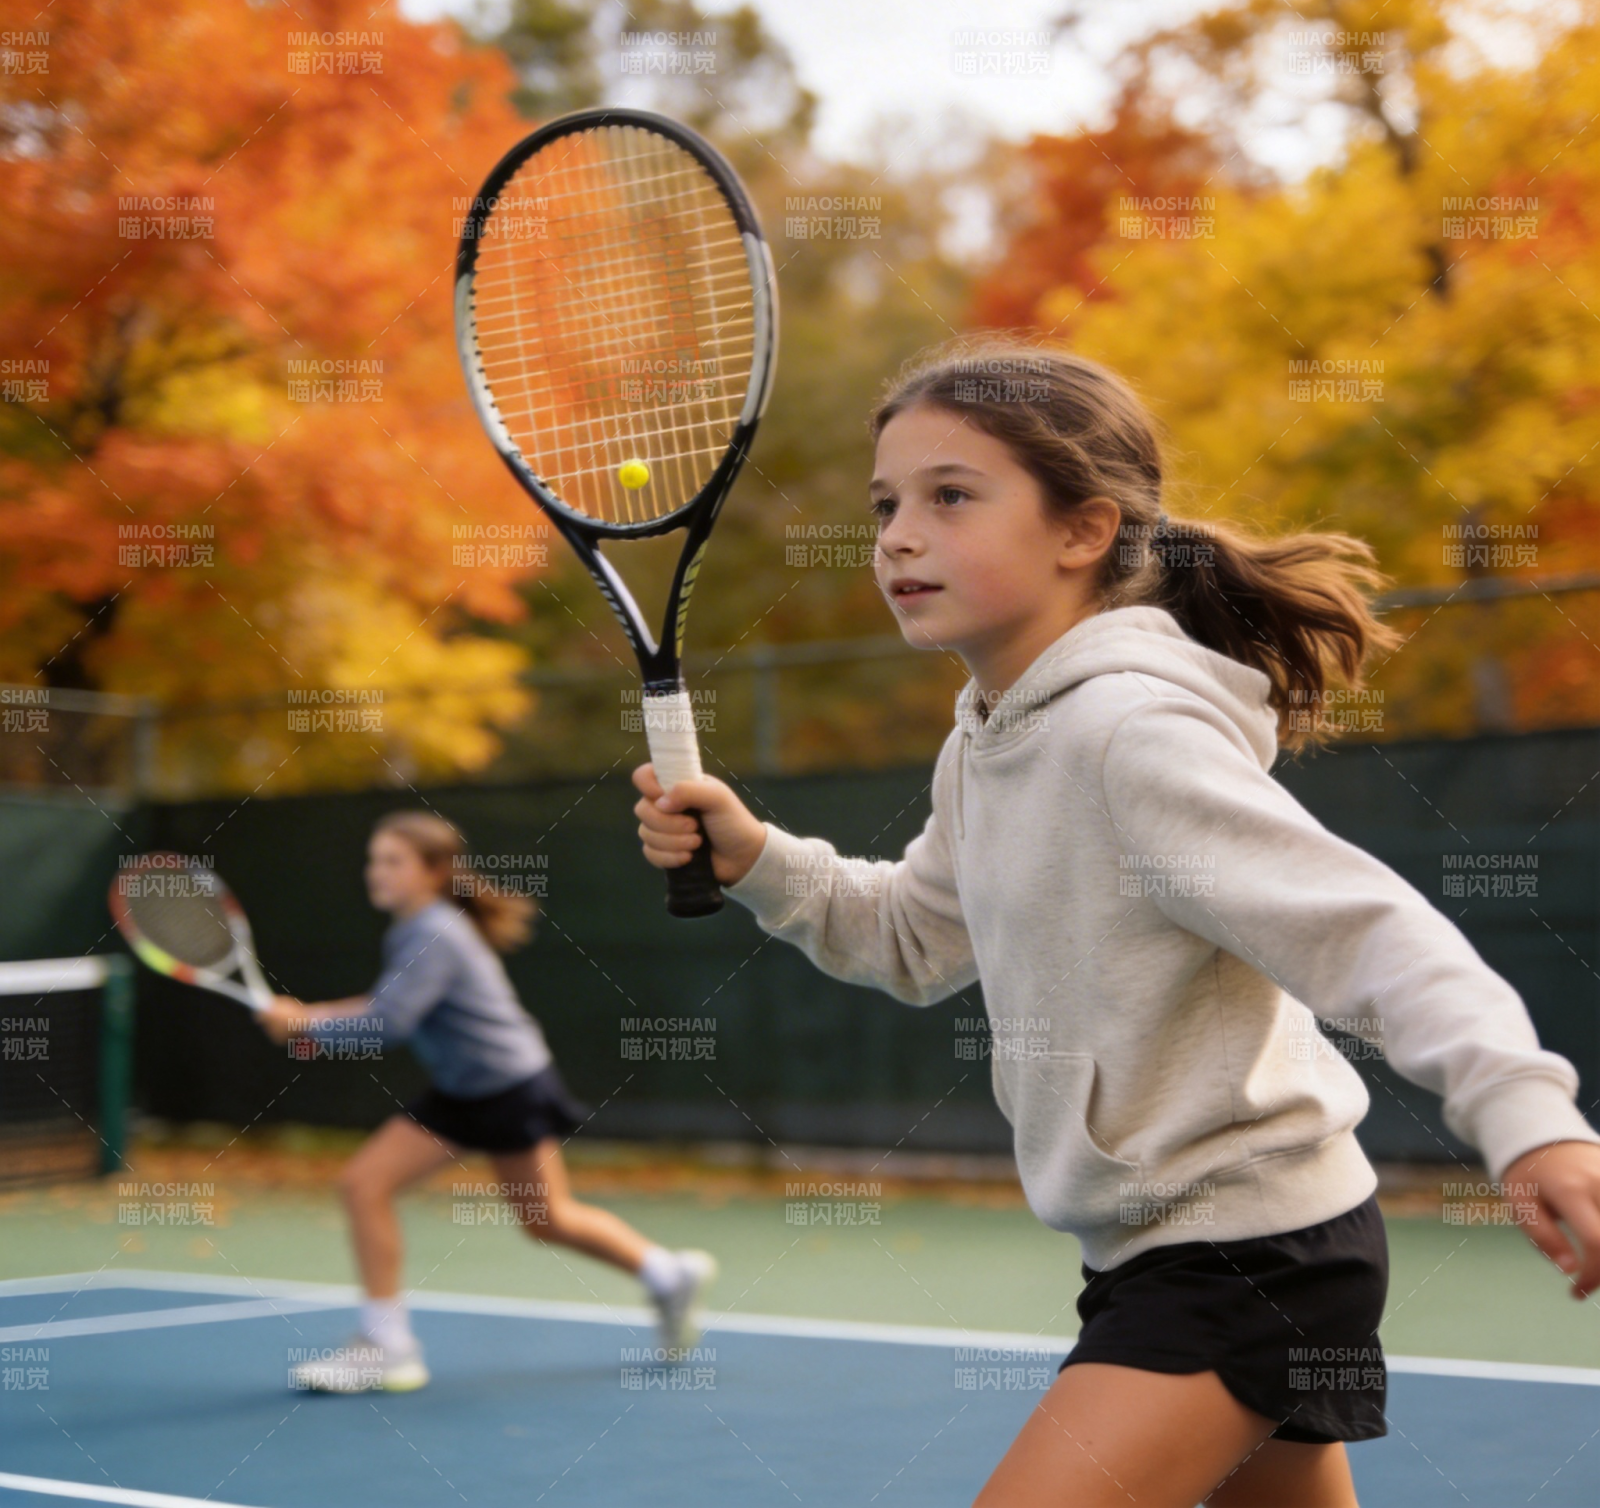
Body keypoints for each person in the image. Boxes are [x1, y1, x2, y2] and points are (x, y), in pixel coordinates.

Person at [630, 336, 1600, 1508]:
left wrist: (1530, 1119)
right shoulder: (985, 739)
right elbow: (915, 939)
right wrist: (758, 858)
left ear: (1082, 530)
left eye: (950, 496)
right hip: (1171, 1251)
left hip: (1245, 1255)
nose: (895, 534)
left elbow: (1368, 931)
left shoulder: (1127, 738)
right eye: (885, 502)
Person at [255, 809, 716, 1394]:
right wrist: (309, 1017)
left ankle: (389, 1347)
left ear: (433, 872)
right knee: (385, 1188)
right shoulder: (420, 927)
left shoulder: (432, 932)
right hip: (469, 1087)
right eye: (374, 860)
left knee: (540, 1218)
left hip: (505, 1088)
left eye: (393, 861)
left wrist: (306, 1026)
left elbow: (390, 1022)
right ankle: (667, 1274)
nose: (377, 872)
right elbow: (386, 1002)